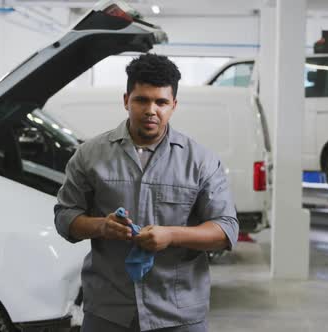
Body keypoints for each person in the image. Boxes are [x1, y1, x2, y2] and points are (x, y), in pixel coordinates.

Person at [54, 53, 239, 332]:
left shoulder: (200, 161)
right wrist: (102, 226)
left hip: (177, 313)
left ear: (173, 105)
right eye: (142, 100)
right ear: (126, 100)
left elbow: (226, 230)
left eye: (161, 102)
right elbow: (65, 217)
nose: (151, 110)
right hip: (109, 310)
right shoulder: (90, 155)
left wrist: (172, 235)